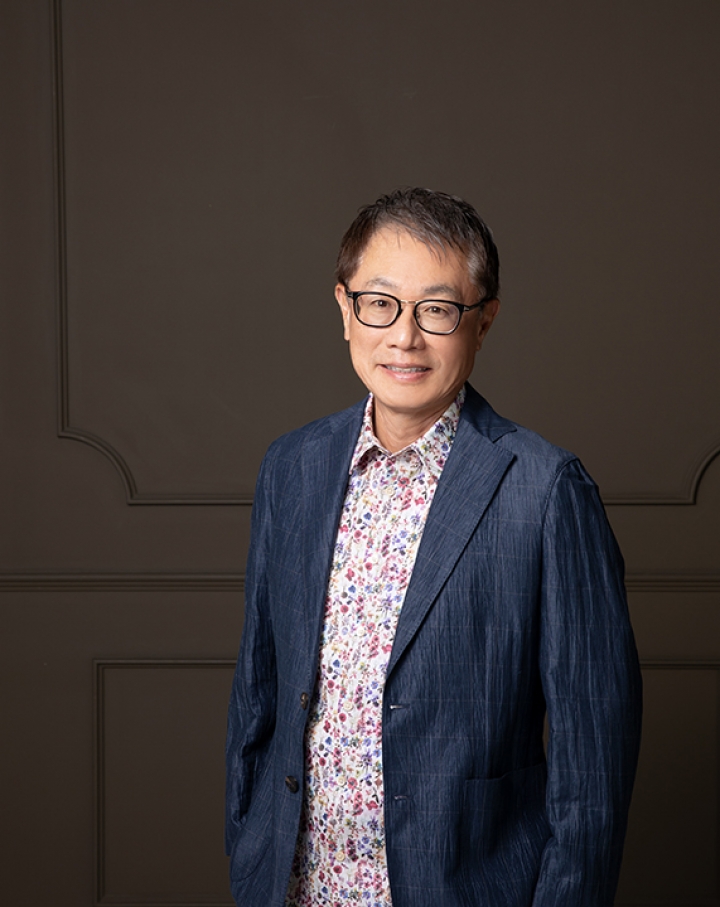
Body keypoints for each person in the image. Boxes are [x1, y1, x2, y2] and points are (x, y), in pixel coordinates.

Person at [225, 187, 642, 907]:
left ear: (484, 320)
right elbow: (257, 690)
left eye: (437, 310)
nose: (404, 337)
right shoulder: (292, 467)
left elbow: (593, 768)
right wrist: (247, 843)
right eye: (379, 304)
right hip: (295, 887)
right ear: (345, 309)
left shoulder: (545, 490)